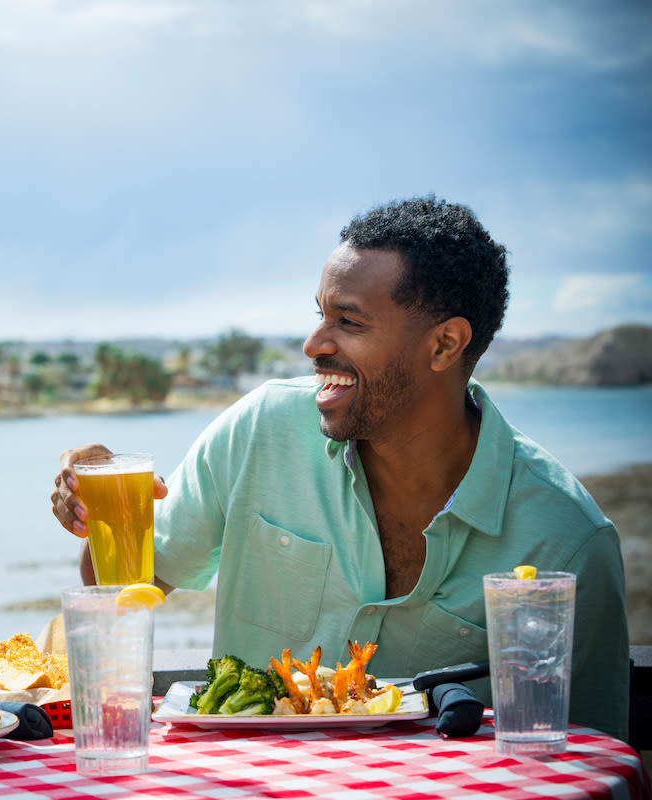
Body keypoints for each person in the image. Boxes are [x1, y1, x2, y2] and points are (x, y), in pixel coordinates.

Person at [50, 196, 630, 740]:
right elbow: (119, 592)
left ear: (444, 344)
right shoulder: (259, 431)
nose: (313, 344)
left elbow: (586, 754)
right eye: (320, 315)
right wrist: (101, 514)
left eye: (348, 322)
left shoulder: (567, 541)